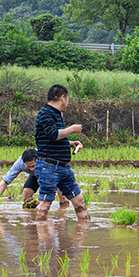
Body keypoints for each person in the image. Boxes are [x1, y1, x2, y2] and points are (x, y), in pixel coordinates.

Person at [34, 84, 90, 220]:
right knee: (45, 205)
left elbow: (53, 138)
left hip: (63, 167)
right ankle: (39, 239)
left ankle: (82, 235)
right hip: (48, 166)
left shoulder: (56, 114)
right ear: (62, 98)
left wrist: (69, 143)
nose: (68, 103)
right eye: (68, 99)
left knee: (80, 202)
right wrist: (71, 129)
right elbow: (53, 135)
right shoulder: (45, 113)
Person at [0, 148, 69, 209]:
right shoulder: (19, 163)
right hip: (35, 176)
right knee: (27, 195)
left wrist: (40, 200)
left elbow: (50, 188)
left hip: (54, 174)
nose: (32, 169)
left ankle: (62, 218)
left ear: (38, 159)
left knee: (62, 198)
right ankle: (30, 223)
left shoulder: (47, 160)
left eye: (33, 166)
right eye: (28, 167)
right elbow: (5, 181)